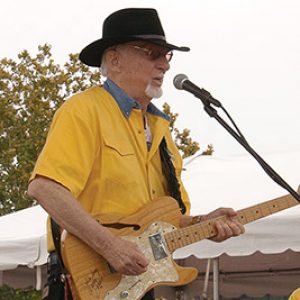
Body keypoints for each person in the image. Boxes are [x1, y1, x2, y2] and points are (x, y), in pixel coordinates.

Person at [27, 8, 245, 300]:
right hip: (85, 282)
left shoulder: (162, 130)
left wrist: (205, 223)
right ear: (115, 59)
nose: (164, 66)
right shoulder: (83, 110)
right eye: (152, 53)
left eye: (167, 56)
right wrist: (110, 246)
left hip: (138, 285)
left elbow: (162, 222)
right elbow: (45, 187)